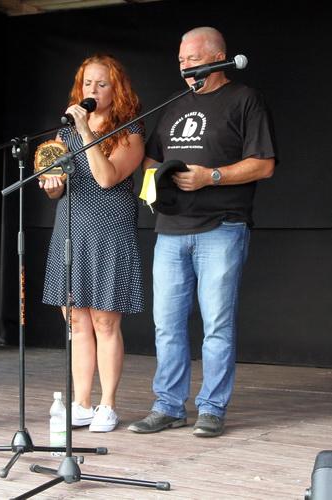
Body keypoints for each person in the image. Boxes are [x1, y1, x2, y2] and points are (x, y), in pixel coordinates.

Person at [127, 27, 276, 438]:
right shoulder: (175, 104)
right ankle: (168, 406)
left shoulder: (244, 99)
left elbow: (264, 164)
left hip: (221, 226)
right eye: (181, 60)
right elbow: (151, 159)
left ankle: (212, 408)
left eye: (192, 59)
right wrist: (155, 184)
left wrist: (211, 176)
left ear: (218, 56)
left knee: (217, 325)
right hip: (171, 229)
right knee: (167, 324)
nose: (184, 66)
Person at [41, 54, 145, 433]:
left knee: (104, 320)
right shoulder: (63, 133)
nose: (93, 90)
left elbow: (106, 178)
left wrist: (87, 133)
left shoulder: (130, 130)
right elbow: (55, 188)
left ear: (117, 89)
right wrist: (52, 185)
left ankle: (108, 404)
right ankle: (82, 403)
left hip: (109, 230)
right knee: (76, 319)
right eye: (88, 84)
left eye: (102, 84)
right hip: (71, 227)